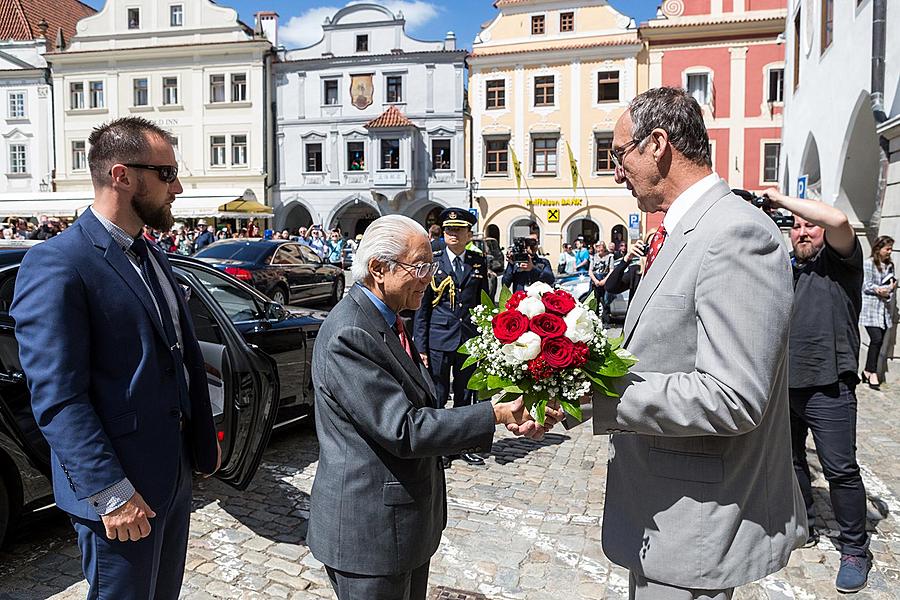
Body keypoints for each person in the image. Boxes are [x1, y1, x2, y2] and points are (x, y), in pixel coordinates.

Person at [577, 87, 805, 599]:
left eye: (618, 154)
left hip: (696, 524)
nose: (616, 171)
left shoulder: (736, 233)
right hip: (663, 514)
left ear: (657, 145)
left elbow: (733, 396)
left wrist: (598, 398)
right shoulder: (687, 230)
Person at [10, 117, 220, 599]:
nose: (179, 187)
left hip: (171, 475)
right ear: (122, 175)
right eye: (166, 174)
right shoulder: (57, 263)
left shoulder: (151, 254)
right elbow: (58, 396)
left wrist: (201, 445)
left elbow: (178, 356)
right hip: (121, 491)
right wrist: (112, 493)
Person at [308, 214, 562, 600]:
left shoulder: (387, 316)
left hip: (403, 528)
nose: (429, 277)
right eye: (421, 267)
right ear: (379, 268)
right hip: (370, 536)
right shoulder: (351, 332)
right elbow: (404, 429)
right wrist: (492, 414)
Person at [762, 188, 872, 593]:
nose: (802, 232)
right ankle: (804, 523)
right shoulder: (788, 270)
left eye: (811, 226)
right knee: (792, 464)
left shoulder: (842, 264)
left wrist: (782, 200)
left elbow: (841, 222)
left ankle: (855, 549)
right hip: (785, 386)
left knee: (841, 471)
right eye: (797, 228)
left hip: (830, 386)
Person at [413, 208, 490, 467]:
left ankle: (462, 444)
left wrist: (485, 340)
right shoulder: (433, 262)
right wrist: (420, 346)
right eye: (448, 230)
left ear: (469, 234)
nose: (452, 234)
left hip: (468, 339)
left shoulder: (478, 263)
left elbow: (484, 304)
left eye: (458, 230)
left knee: (464, 393)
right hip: (438, 338)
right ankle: (439, 446)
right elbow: (422, 309)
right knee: (438, 392)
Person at [860, 235, 895, 389]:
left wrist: (889, 291)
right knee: (876, 338)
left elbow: (892, 285)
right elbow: (865, 285)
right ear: (878, 249)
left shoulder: (890, 265)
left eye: (891, 249)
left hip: (883, 309)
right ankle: (872, 372)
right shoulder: (868, 264)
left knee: (879, 341)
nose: (890, 251)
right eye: (887, 248)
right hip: (870, 308)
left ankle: (867, 371)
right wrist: (878, 289)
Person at [588, 241, 614, 319]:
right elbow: (590, 271)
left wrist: (604, 281)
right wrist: (595, 280)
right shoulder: (593, 257)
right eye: (597, 247)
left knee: (605, 302)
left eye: (601, 247)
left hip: (605, 279)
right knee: (595, 301)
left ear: (604, 247)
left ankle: (605, 320)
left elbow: (611, 270)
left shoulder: (610, 256)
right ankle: (595, 320)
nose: (599, 249)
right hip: (595, 280)